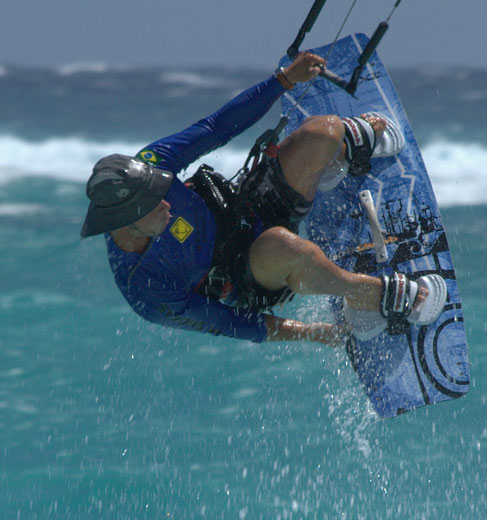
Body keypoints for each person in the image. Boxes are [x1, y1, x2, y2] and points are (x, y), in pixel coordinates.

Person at [81, 52, 446, 347]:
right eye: (152, 204)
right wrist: (320, 334)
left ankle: (330, 163)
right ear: (125, 222)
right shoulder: (148, 288)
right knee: (282, 246)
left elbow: (215, 127)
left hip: (246, 207)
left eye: (161, 190)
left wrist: (283, 80)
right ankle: (368, 299)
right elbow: (232, 324)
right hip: (252, 276)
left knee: (324, 131)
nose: (165, 201)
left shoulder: (150, 165)